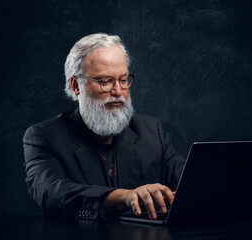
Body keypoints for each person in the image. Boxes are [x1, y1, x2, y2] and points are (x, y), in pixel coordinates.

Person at [23, 33, 185, 220]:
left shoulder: (151, 130)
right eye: (105, 81)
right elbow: (52, 194)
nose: (118, 91)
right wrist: (126, 197)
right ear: (76, 86)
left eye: (123, 80)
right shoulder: (44, 136)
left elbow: (189, 182)